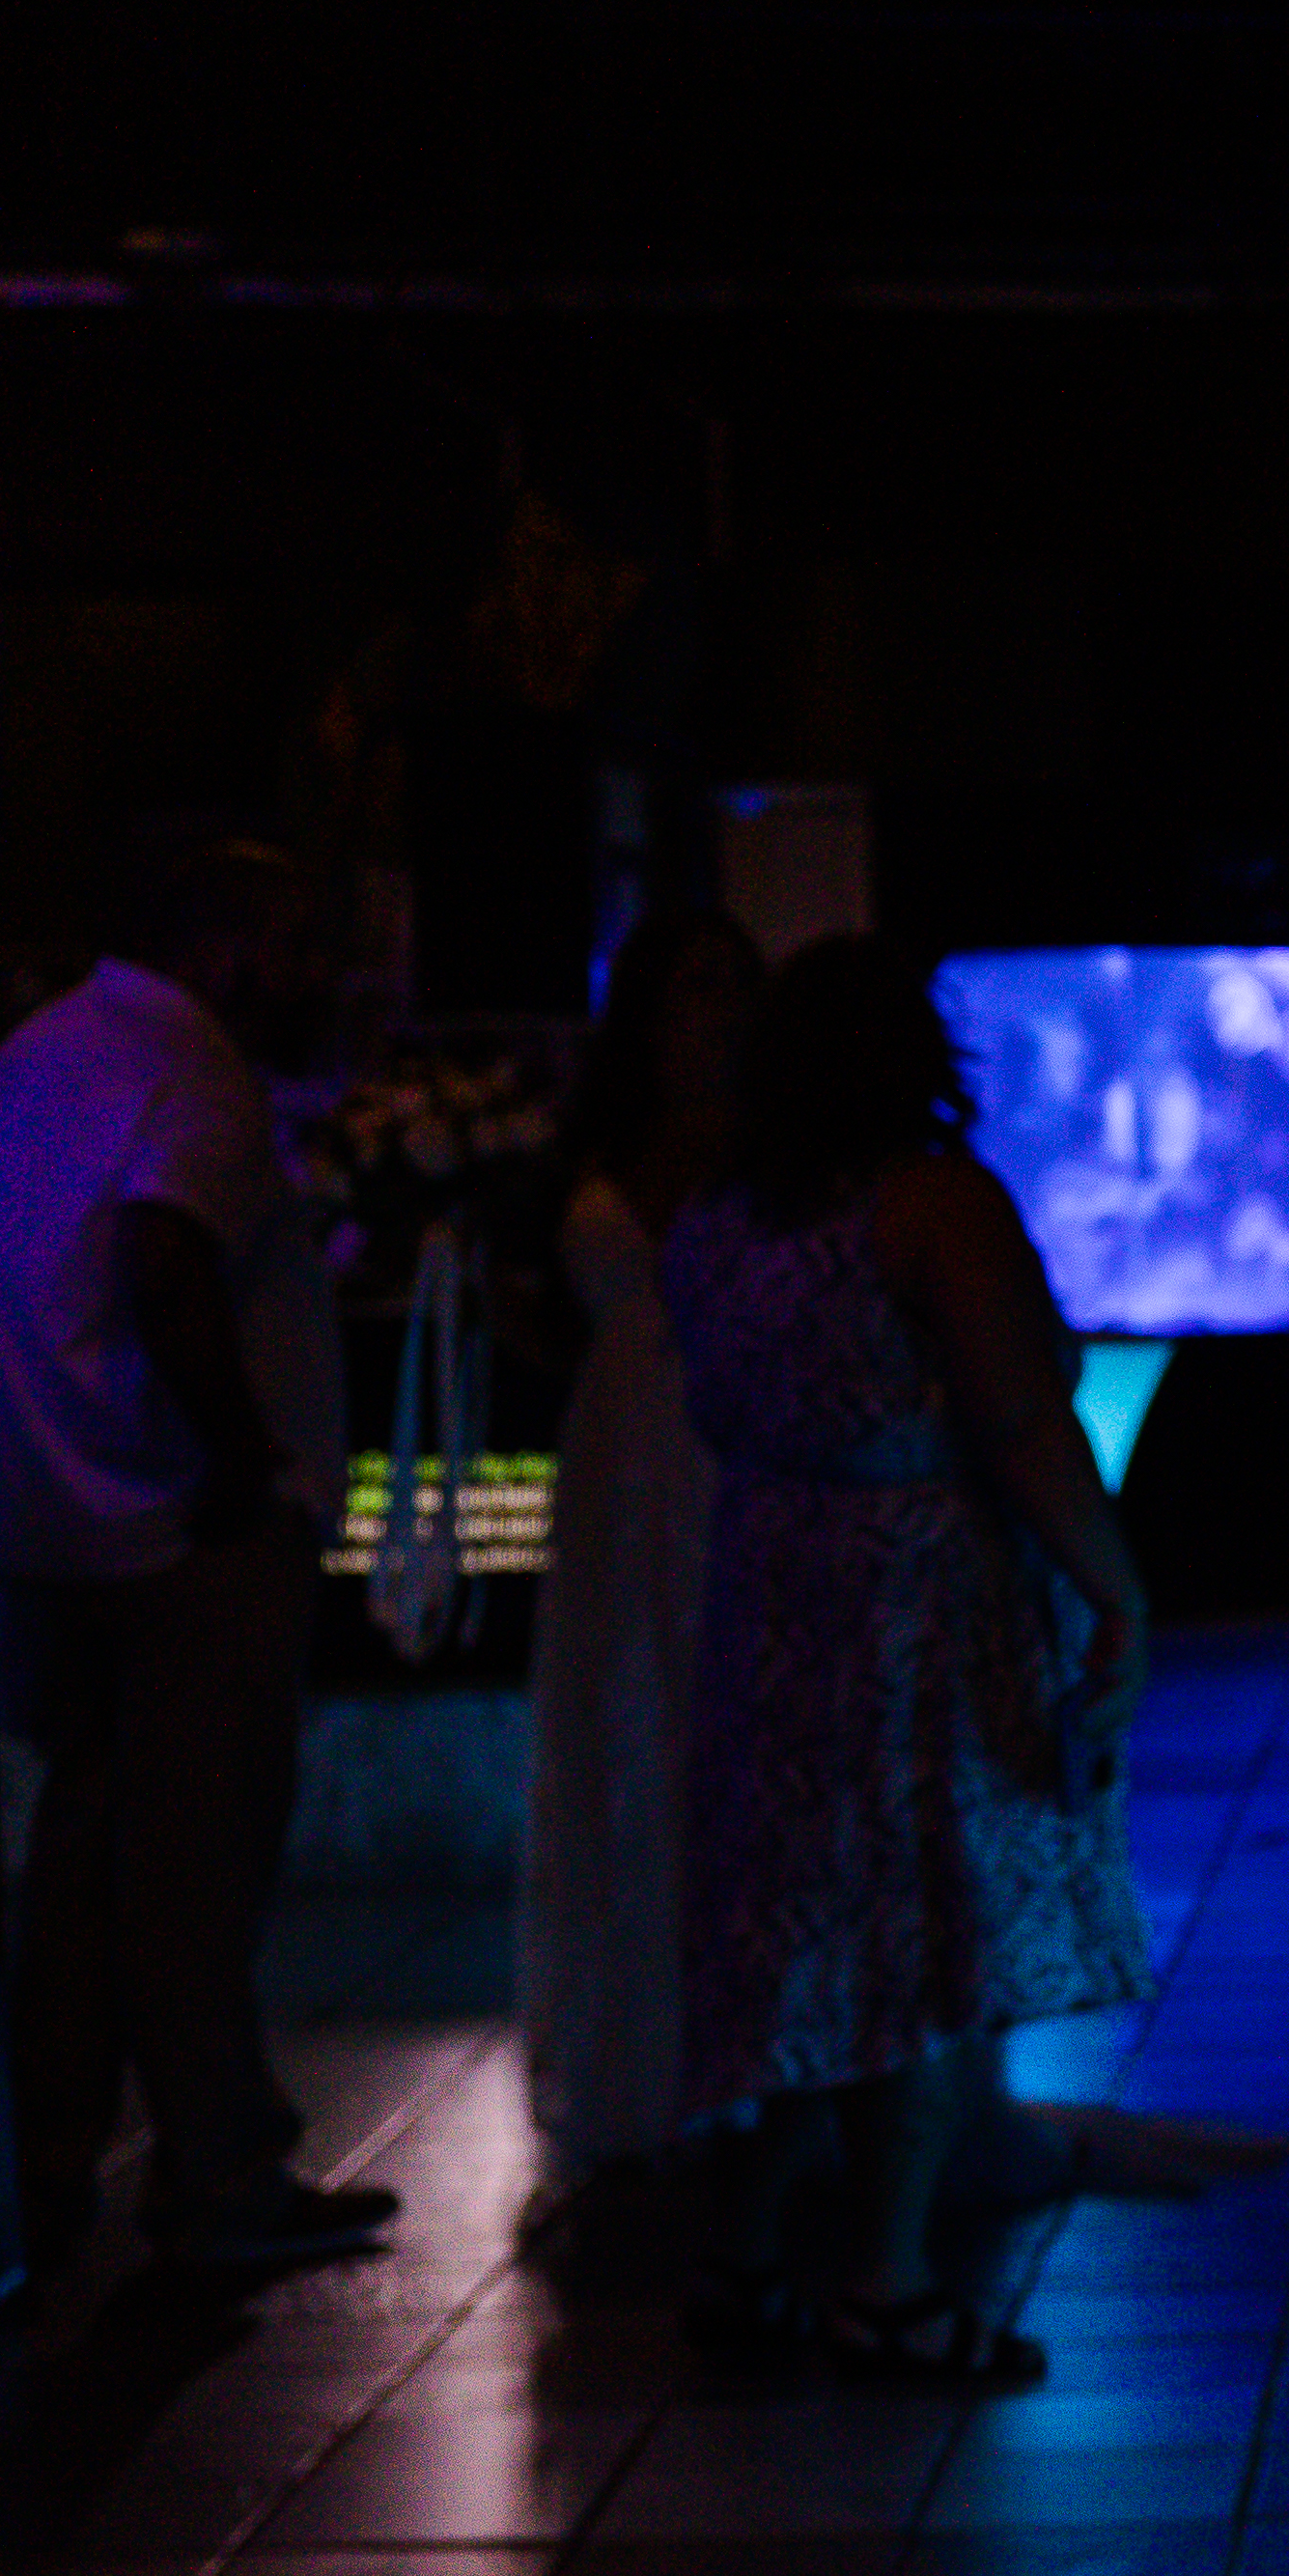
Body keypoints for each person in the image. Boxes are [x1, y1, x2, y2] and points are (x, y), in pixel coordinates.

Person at [666, 938, 1151, 2381]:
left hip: (771, 1600)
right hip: (916, 1615)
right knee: (935, 1937)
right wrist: (1119, 1595)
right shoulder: (932, 1205)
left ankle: (746, 2260)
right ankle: (885, 2281)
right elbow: (1020, 1420)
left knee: (810, 1941)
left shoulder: (715, 1220)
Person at [0, 842, 398, 2279]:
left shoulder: (39, 1054)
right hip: (183, 1539)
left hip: (50, 1526)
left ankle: (48, 2164)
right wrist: (241, 1461)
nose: (323, 973)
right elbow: (162, 1244)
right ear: (221, 944)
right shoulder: (190, 1071)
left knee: (81, 1866)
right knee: (198, 1866)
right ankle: (215, 2172)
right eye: (298, 939)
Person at [522, 910, 759, 2171]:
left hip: (735, 1453)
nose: (710, 1009)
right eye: (690, 984)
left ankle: (752, 2072)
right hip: (620, 1458)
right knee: (625, 1731)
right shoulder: (599, 1147)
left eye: (730, 985)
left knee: (732, 1737)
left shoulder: (779, 1148)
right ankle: (645, 2065)